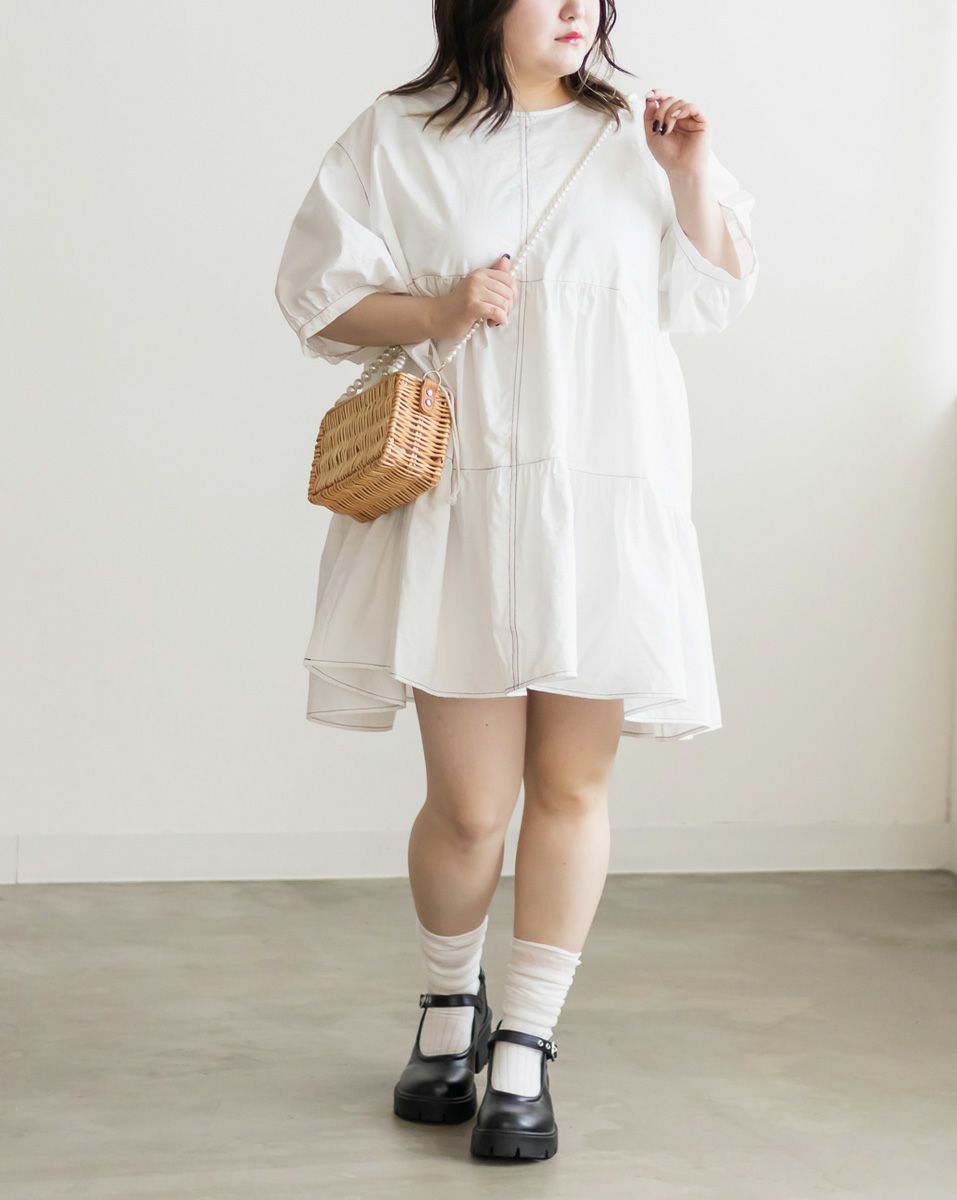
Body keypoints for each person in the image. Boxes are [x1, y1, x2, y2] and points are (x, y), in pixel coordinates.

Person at [273, 0, 759, 1163]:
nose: (577, 9)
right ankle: (450, 1003)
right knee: (469, 806)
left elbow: (712, 296)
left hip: (601, 503)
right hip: (463, 503)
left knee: (571, 787)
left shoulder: (637, 132)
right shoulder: (397, 134)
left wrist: (689, 175)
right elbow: (318, 296)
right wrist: (442, 309)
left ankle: (524, 1045)